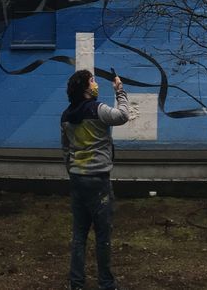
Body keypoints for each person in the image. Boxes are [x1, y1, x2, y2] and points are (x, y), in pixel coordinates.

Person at [62, 69, 132, 290]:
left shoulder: (66, 116)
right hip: (98, 180)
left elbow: (66, 149)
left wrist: (72, 170)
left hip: (77, 179)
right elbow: (122, 116)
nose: (95, 84)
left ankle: (76, 284)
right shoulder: (97, 109)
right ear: (85, 88)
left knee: (79, 235)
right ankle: (106, 284)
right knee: (102, 235)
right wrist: (120, 91)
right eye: (92, 81)